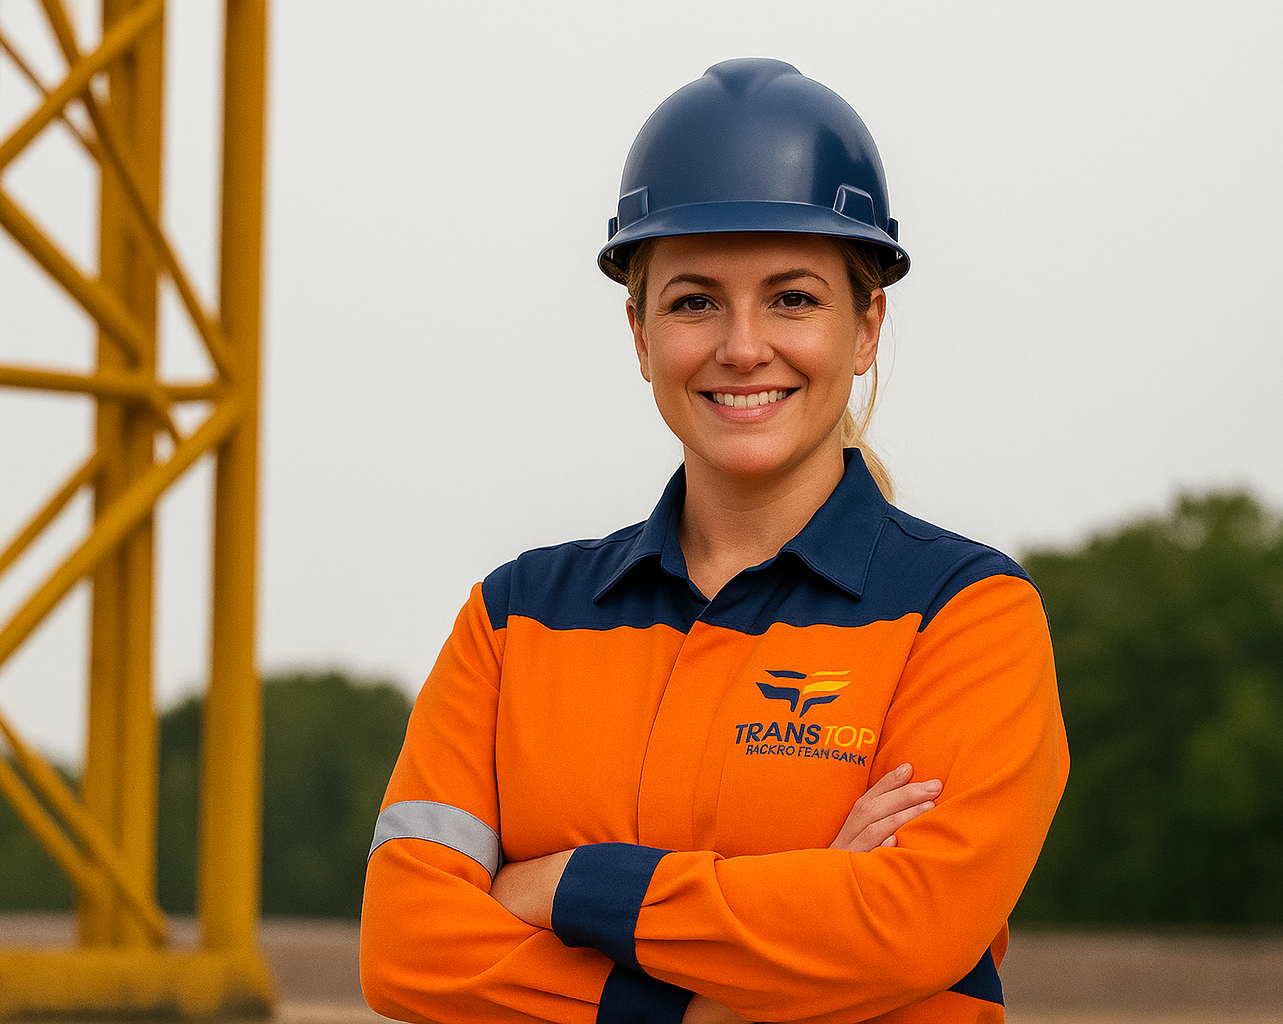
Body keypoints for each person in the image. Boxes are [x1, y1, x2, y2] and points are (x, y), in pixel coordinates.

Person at [360, 58, 1068, 1024]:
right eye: (694, 301)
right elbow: (407, 949)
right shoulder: (513, 619)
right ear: (640, 333)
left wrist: (565, 886)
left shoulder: (967, 616)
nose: (742, 346)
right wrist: (712, 1000)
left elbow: (909, 929)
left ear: (867, 328)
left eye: (794, 298)